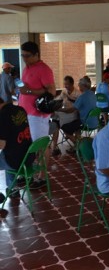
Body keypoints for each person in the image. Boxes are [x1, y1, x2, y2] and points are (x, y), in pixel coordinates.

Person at [18, 41, 56, 189]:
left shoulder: (44, 69)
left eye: (27, 56)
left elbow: (51, 91)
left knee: (41, 145)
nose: (24, 59)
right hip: (24, 113)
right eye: (22, 56)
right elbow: (26, 86)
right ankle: (28, 172)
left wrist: (29, 91)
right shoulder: (27, 68)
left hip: (37, 114)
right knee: (26, 144)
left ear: (36, 55)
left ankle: (42, 177)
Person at [0, 97, 34, 199]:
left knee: (6, 154)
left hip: (15, 161)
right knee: (10, 151)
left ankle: (12, 188)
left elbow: (2, 145)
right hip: (29, 158)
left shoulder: (2, 116)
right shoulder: (21, 109)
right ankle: (13, 188)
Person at [57, 76, 98, 149]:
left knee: (64, 127)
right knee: (75, 123)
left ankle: (78, 146)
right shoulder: (93, 94)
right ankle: (77, 143)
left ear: (83, 86)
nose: (78, 86)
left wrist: (59, 109)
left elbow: (70, 110)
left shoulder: (82, 96)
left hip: (85, 123)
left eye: (79, 84)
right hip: (95, 122)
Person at [51, 75, 81, 156]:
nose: (65, 86)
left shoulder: (78, 94)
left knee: (57, 119)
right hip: (64, 112)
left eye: (67, 84)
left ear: (72, 84)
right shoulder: (64, 91)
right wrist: (52, 102)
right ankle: (55, 147)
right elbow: (58, 99)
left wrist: (59, 110)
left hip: (73, 114)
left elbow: (75, 109)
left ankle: (78, 145)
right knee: (55, 120)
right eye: (64, 84)